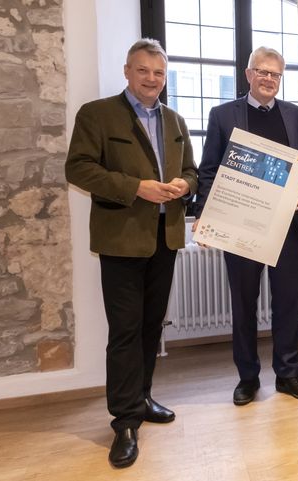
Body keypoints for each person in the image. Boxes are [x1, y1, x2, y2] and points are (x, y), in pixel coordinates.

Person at [65, 38, 198, 468]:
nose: (151, 79)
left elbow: (193, 173)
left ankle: (141, 399)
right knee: (124, 331)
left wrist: (185, 187)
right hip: (121, 239)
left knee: (149, 327)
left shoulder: (175, 120)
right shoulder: (97, 114)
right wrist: (134, 187)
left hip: (166, 237)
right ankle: (123, 422)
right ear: (127, 71)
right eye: (143, 71)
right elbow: (79, 168)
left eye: (159, 73)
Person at [193, 47, 298, 406]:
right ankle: (247, 378)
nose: (268, 79)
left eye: (275, 74)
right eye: (262, 72)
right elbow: (208, 170)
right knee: (244, 304)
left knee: (287, 304)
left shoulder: (297, 115)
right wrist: (204, 212)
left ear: (281, 79)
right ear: (249, 75)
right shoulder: (223, 115)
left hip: (288, 229)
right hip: (241, 227)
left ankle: (287, 374)